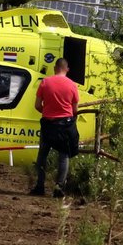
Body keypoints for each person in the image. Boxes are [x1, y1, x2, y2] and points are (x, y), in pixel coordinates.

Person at [31, 56, 80, 197]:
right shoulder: (72, 85)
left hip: (48, 124)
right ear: (67, 69)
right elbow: (75, 110)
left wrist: (47, 111)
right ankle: (59, 186)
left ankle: (40, 186)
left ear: (54, 68)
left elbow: (37, 105)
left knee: (42, 154)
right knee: (64, 156)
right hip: (65, 125)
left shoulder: (45, 82)